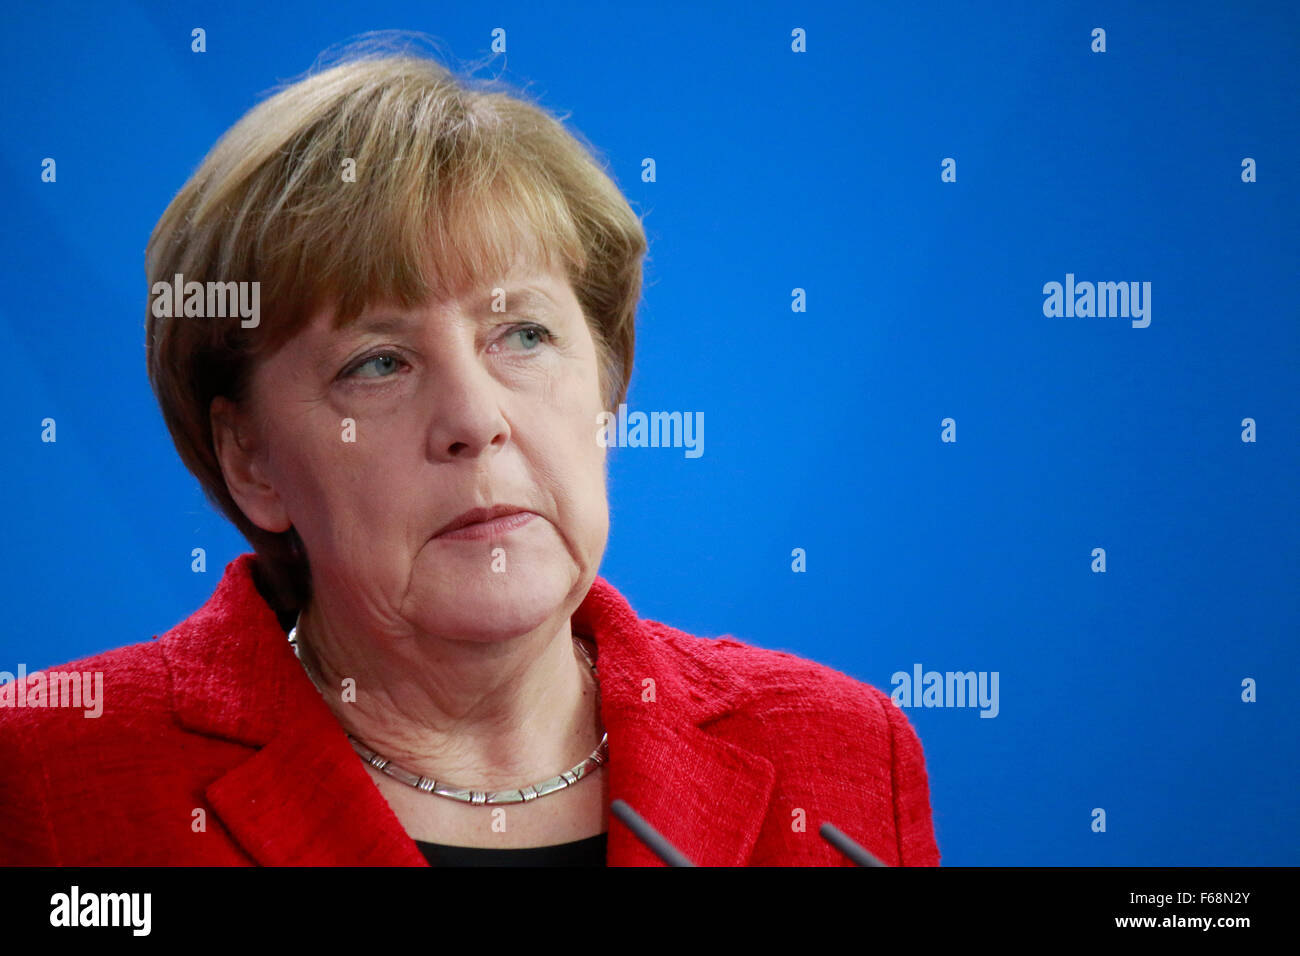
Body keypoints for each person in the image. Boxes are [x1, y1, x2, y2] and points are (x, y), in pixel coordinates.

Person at [0, 48, 940, 866]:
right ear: (252, 461)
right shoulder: (49, 776)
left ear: (607, 391)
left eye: (523, 335)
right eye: (378, 363)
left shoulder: (843, 752)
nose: (475, 418)